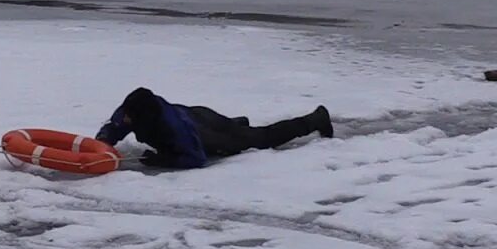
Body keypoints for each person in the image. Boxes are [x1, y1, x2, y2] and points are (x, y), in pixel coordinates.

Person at [96, 87, 333, 169]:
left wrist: (162, 160)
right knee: (231, 128)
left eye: (129, 117)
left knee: (261, 138)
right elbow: (113, 127)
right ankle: (236, 124)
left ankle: (316, 119)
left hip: (205, 131)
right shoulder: (133, 108)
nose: (123, 119)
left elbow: (196, 159)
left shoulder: (174, 129)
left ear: (144, 117)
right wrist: (102, 142)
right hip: (196, 114)